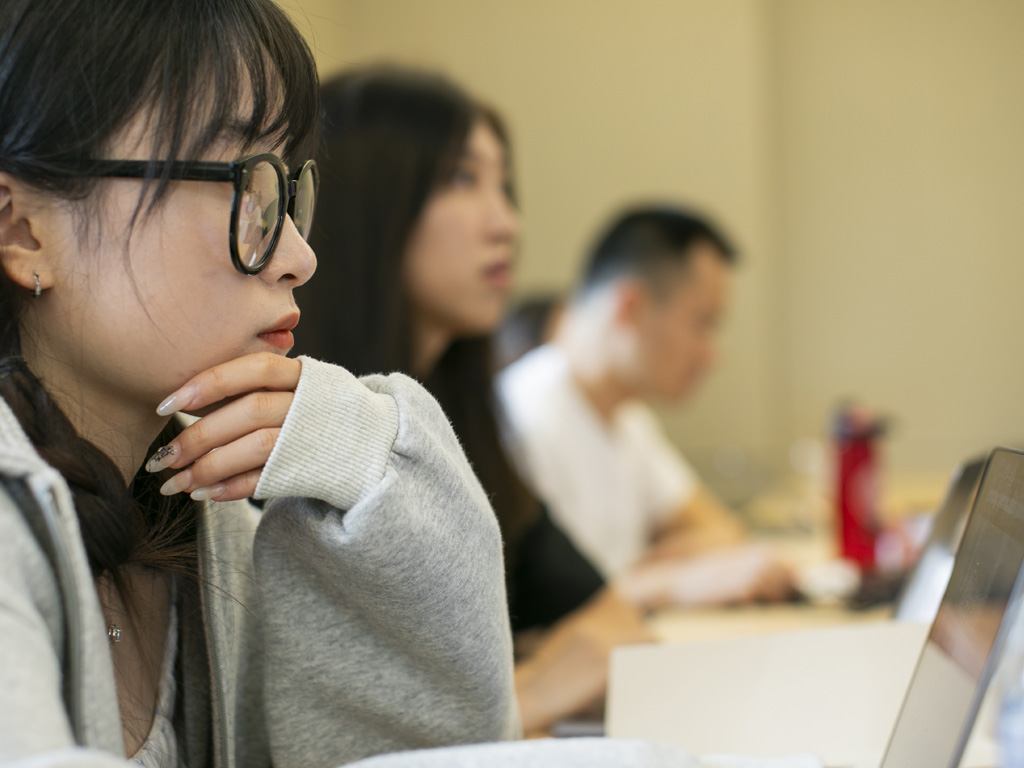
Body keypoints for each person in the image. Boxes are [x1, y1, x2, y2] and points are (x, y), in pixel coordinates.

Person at [0, 4, 707, 768]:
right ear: (23, 231)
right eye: (244, 183)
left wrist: (378, 458)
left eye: (285, 193)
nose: (298, 255)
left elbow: (435, 749)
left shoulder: (204, 518)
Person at [293, 65, 651, 735]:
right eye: (463, 179)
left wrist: (507, 697)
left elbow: (614, 631)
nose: (507, 223)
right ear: (367, 202)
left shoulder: (466, 430)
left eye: (505, 187)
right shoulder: (294, 440)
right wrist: (521, 697)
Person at [498, 206, 793, 605]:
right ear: (631, 308)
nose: (712, 355)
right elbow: (546, 605)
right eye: (703, 323)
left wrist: (645, 574)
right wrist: (675, 582)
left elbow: (721, 531)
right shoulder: (523, 417)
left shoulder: (628, 417)